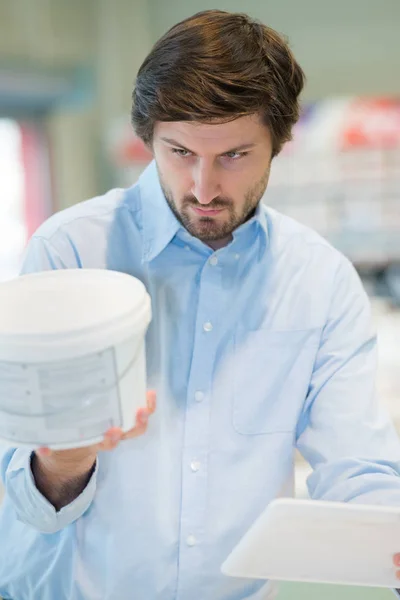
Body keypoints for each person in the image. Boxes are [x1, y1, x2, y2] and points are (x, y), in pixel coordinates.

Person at [1, 9, 400, 600]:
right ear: (149, 139)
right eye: (180, 152)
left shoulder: (318, 281)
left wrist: (387, 543)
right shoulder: (70, 251)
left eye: (234, 156)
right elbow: (25, 500)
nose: (203, 188)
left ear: (278, 143)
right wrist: (64, 460)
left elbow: (358, 467)